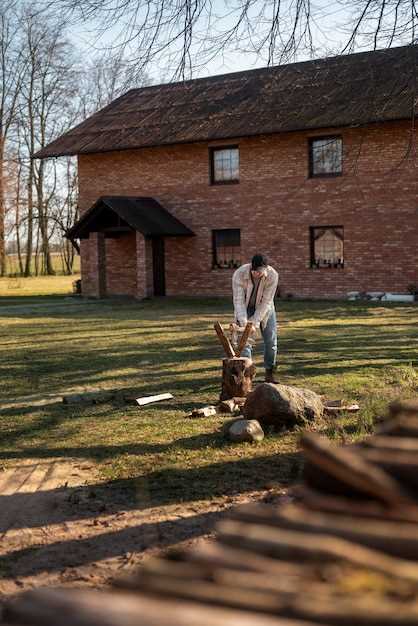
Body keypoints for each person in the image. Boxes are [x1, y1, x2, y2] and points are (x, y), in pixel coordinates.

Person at [232, 254, 279, 383]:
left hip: (265, 308)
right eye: (254, 271)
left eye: (259, 272)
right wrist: (245, 323)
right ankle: (247, 376)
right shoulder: (239, 273)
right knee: (244, 342)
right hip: (244, 308)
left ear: (266, 268)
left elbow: (266, 301)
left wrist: (255, 322)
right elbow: (238, 301)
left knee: (271, 342)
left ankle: (270, 372)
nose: (256, 274)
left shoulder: (273, 276)